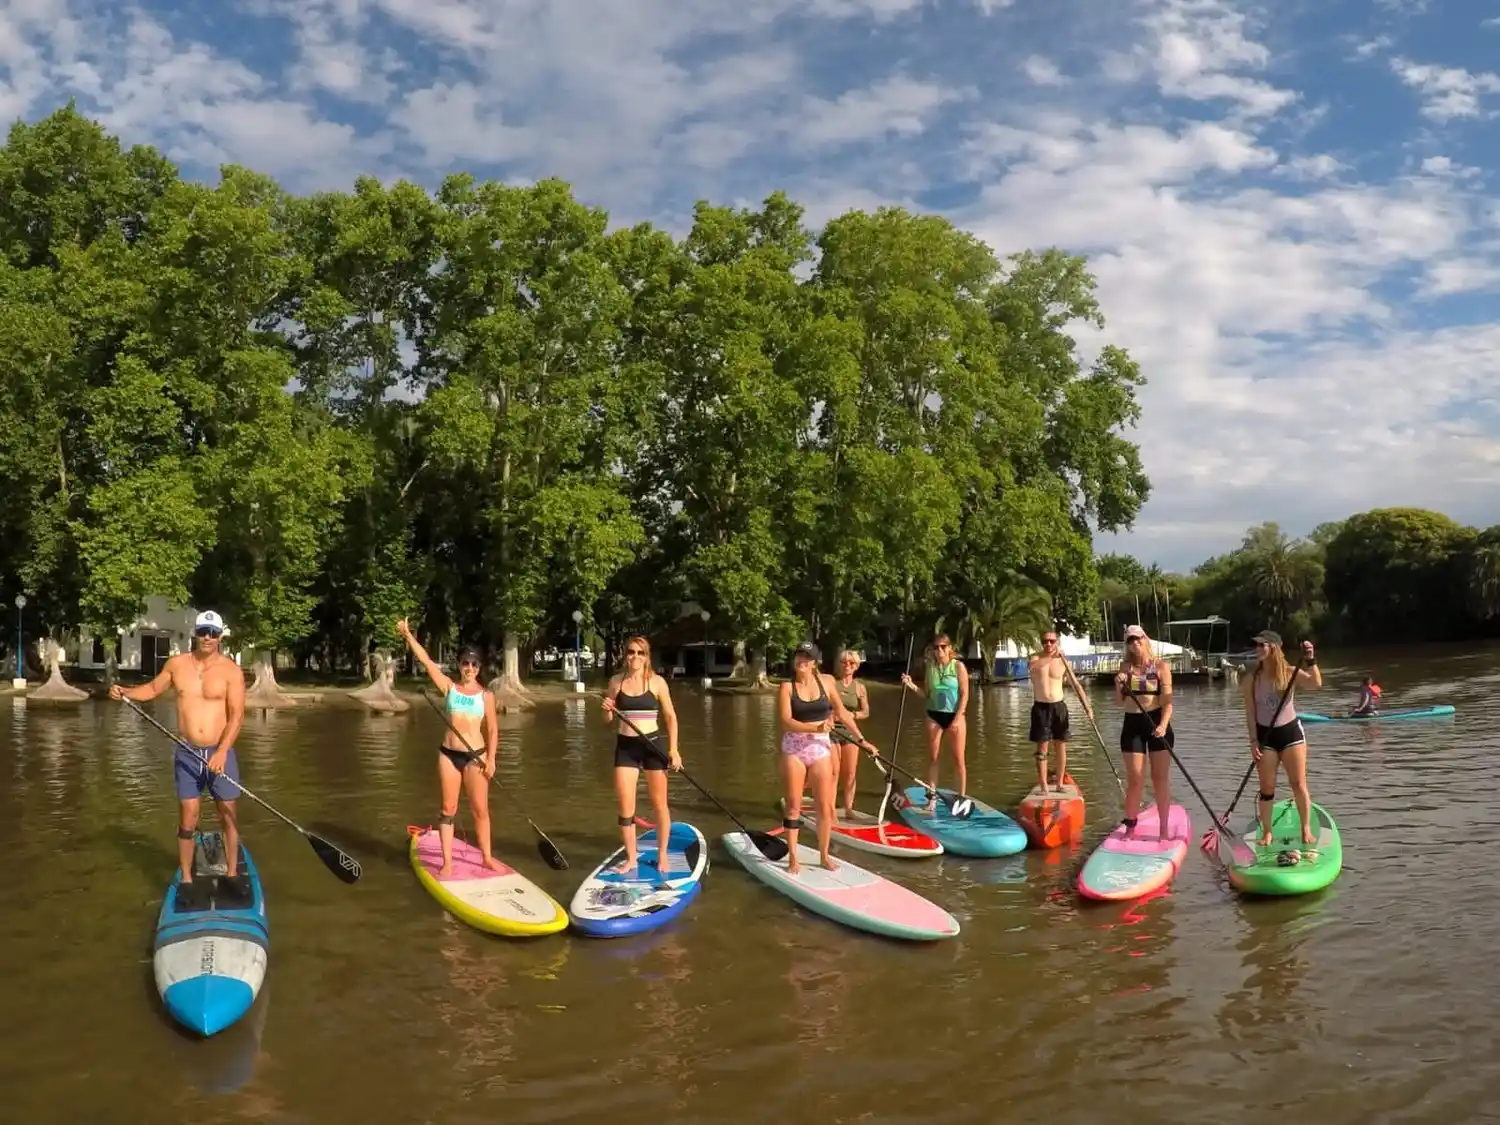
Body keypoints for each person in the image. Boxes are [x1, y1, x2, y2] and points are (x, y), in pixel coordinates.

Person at [109, 609, 247, 897]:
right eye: (202, 632)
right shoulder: (177, 664)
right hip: (186, 752)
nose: (207, 638)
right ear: (195, 633)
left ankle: (233, 873)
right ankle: (186, 879)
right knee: (188, 817)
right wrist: (126, 692)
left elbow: (236, 716)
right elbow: (152, 688)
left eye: (212, 633)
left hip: (219, 752)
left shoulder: (231, 671)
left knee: (228, 814)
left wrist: (221, 752)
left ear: (220, 636)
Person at [396, 619, 504, 877]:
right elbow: (426, 661)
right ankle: (447, 862)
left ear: (479, 667)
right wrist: (407, 635)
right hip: (448, 755)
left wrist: (492, 758)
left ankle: (487, 858)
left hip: (475, 758)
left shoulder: (486, 696)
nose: (469, 668)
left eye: (474, 664)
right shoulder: (449, 688)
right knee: (448, 809)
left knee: (480, 810)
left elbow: (492, 730)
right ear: (459, 665)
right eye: (465, 663)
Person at [778, 642, 873, 875]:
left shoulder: (828, 682)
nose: (802, 660)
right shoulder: (786, 687)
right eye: (799, 655)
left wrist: (862, 741)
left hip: (820, 748)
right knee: (793, 806)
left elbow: (842, 714)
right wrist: (815, 727)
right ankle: (793, 858)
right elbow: (786, 721)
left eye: (807, 657)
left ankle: (823, 856)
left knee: (823, 806)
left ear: (814, 662)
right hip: (795, 748)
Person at [601, 635, 682, 876]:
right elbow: (607, 720)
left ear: (647, 656)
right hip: (626, 747)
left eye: (640, 652)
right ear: (625, 655)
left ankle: (663, 854)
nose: (635, 656)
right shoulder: (616, 682)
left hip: (653, 747)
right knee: (626, 808)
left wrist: (674, 750)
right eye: (631, 652)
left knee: (659, 805)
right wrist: (606, 710)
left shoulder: (656, 683)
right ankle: (631, 858)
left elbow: (670, 717)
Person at [1242, 630, 1322, 847]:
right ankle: (1267, 832)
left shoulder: (1289, 672)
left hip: (1290, 733)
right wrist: (1252, 741)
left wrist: (1310, 659)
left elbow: (1316, 684)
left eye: (1262, 645)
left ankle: (1305, 829)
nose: (1257, 649)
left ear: (1274, 648)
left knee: (1298, 784)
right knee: (1267, 788)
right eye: (1256, 645)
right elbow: (1250, 712)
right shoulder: (1251, 679)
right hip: (1265, 736)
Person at [1113, 624, 1176, 839]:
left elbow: (1168, 703)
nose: (1135, 644)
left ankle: (1164, 829)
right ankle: (1130, 827)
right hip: (1132, 725)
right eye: (1130, 641)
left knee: (1159, 779)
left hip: (1157, 723)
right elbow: (1119, 703)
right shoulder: (1125, 667)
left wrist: (1163, 725)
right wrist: (1118, 684)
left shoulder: (1160, 667)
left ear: (1145, 640)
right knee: (1135, 779)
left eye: (1138, 639)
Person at [900, 633, 970, 807]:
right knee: (933, 757)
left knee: (958, 759)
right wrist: (911, 686)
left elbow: (965, 694)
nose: (939, 650)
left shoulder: (958, 667)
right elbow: (927, 695)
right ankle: (931, 797)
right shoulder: (930, 667)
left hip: (955, 715)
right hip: (934, 715)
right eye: (936, 647)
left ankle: (961, 798)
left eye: (943, 647)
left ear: (949, 648)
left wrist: (958, 717)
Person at [1027, 630, 1093, 793]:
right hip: (1041, 707)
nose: (1048, 644)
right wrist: (1052, 656)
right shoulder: (1036, 659)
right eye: (1045, 641)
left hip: (1059, 707)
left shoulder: (1064, 662)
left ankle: (1059, 784)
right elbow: (1033, 668)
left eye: (1052, 641)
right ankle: (1043, 785)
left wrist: (1088, 708)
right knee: (1042, 749)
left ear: (1057, 643)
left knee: (1061, 746)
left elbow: (1076, 685)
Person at [828, 649, 872, 817]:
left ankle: (848, 808)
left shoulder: (860, 687)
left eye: (851, 663)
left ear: (857, 666)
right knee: (834, 771)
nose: (847, 666)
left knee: (851, 773)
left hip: (851, 731)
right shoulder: (832, 683)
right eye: (844, 662)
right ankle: (830, 808)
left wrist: (850, 715)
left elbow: (866, 712)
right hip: (832, 731)